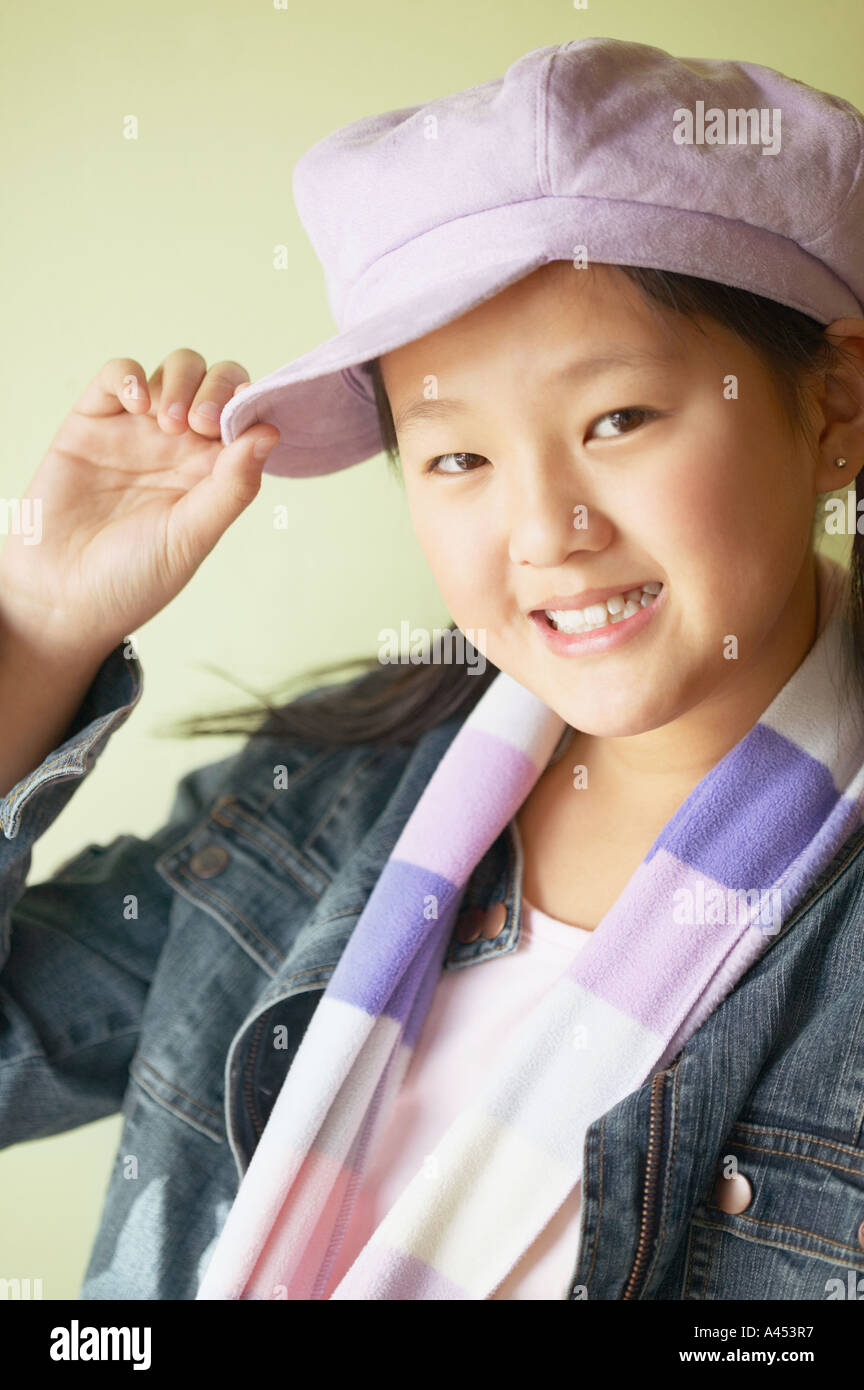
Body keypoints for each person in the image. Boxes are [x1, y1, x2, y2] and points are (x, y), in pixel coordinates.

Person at [2, 37, 864, 1301]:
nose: (544, 531)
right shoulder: (304, 808)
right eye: (458, 458)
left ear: (838, 406)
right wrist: (36, 628)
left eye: (616, 419)